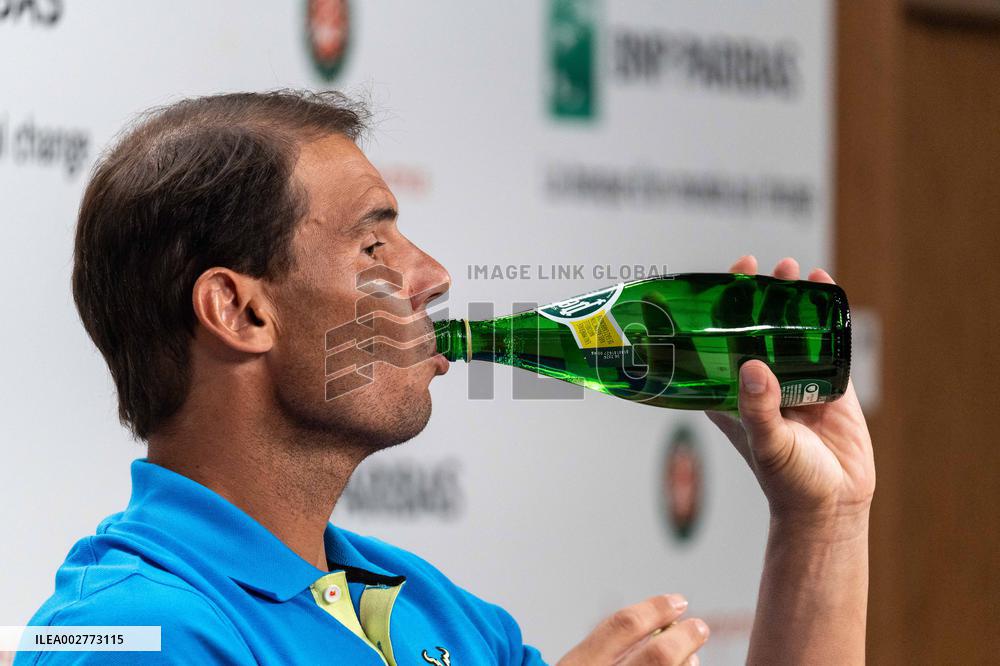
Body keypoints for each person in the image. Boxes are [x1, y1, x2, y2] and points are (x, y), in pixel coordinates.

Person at [18, 91, 875, 665]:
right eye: (375, 245)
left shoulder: (440, 616)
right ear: (240, 312)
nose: (431, 274)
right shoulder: (123, 631)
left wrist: (821, 525)